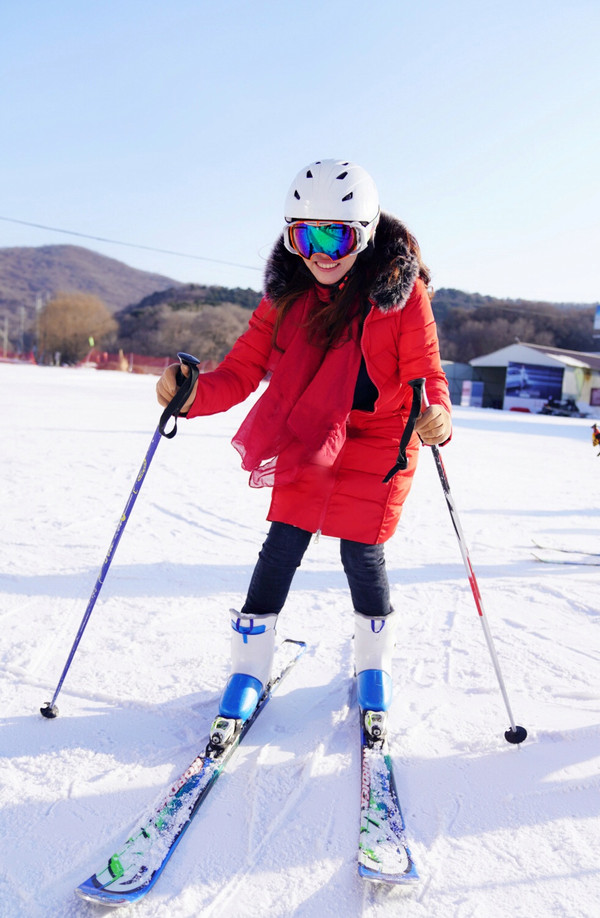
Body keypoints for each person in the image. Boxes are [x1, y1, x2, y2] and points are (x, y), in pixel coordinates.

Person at [156, 159, 452, 745]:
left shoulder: (403, 296)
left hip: (380, 439)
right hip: (313, 436)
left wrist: (437, 413)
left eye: (334, 234)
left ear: (363, 233)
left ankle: (373, 663)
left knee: (361, 554)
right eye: (304, 234)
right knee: (282, 544)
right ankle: (248, 668)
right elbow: (241, 370)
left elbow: (426, 371)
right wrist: (190, 393)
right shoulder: (288, 296)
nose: (319, 252)